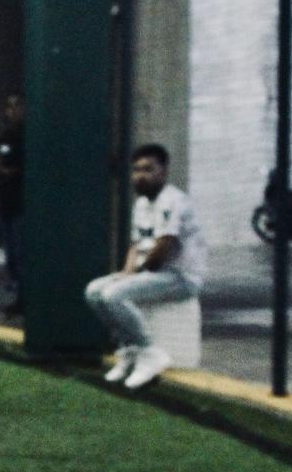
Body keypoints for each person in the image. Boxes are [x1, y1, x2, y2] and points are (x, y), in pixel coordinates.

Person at [83, 143, 207, 391]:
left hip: (181, 277)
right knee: (94, 291)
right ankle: (129, 349)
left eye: (148, 169)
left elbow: (163, 249)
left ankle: (150, 352)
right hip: (153, 274)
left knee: (114, 294)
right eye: (136, 170)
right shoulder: (141, 204)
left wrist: (132, 277)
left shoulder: (174, 201)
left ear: (164, 171)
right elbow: (136, 246)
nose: (140, 175)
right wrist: (126, 273)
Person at [0, 93, 25, 317]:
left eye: (17, 105)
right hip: (6, 202)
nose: (12, 111)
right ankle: (19, 296)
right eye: (9, 106)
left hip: (22, 203)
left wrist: (5, 170)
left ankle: (24, 299)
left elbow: (23, 168)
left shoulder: (28, 136)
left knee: (22, 255)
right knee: (12, 256)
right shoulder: (6, 136)